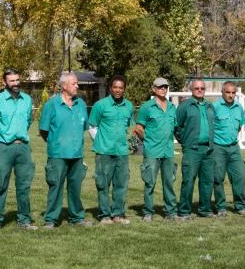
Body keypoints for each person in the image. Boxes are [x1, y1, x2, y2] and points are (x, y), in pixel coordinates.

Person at [39, 72, 92, 228]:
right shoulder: (51, 105)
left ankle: (77, 217)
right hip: (57, 155)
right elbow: (44, 130)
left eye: (77, 83)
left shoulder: (81, 104)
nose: (77, 86)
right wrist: (55, 144)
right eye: (74, 83)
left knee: (75, 187)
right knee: (55, 186)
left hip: (77, 154)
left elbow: (83, 127)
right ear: (64, 86)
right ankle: (51, 219)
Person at [0, 69, 37, 230]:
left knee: (24, 186)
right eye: (12, 81)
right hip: (4, 147)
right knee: (1, 184)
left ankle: (24, 220)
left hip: (23, 147)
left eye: (17, 80)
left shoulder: (27, 100)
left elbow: (28, 120)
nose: (16, 83)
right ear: (4, 82)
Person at [89, 75, 135, 225]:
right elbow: (92, 126)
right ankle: (104, 215)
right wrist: (101, 142)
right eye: (115, 87)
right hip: (104, 152)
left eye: (121, 88)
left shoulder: (128, 106)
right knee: (103, 185)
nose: (118, 90)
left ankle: (118, 214)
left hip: (122, 152)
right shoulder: (100, 105)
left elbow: (129, 126)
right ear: (110, 88)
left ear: (124, 89)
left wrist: (130, 144)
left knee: (121, 185)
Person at [134, 77, 178, 221]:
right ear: (153, 89)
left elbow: (176, 128)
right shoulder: (147, 107)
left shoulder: (172, 107)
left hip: (168, 151)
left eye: (165, 87)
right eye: (160, 87)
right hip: (152, 151)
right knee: (149, 182)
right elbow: (139, 128)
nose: (163, 89)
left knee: (169, 183)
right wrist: (148, 141)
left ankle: (170, 212)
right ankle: (148, 212)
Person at [175, 79, 216, 220]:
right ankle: (184, 210)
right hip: (192, 150)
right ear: (191, 90)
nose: (200, 90)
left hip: (208, 150)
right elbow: (177, 127)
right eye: (197, 88)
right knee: (188, 181)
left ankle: (205, 209)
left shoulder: (210, 106)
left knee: (207, 181)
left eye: (202, 88)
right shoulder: (184, 106)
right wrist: (186, 142)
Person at [211, 81, 245, 216]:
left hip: (234, 147)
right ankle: (221, 207)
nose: (231, 95)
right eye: (228, 92)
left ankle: (240, 206)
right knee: (218, 177)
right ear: (222, 93)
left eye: (233, 93)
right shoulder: (214, 106)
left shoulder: (239, 107)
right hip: (218, 147)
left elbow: (239, 126)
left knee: (240, 176)